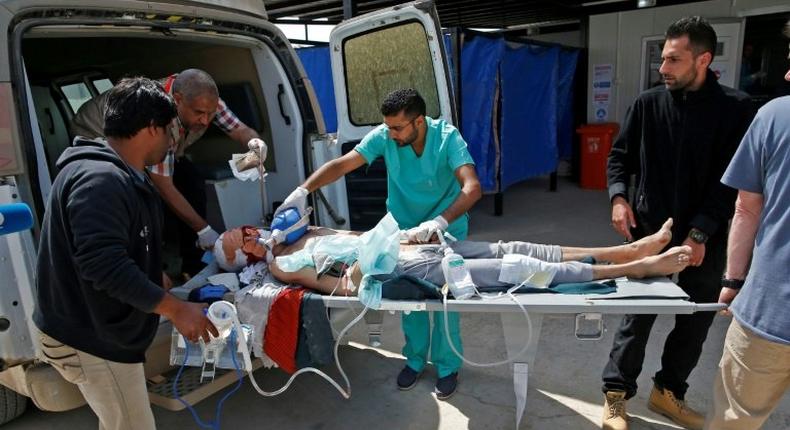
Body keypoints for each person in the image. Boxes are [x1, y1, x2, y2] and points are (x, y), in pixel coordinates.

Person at [34, 77, 218, 430]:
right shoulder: (100, 179)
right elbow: (102, 264)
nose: (171, 143)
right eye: (168, 132)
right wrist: (176, 309)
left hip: (99, 328)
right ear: (151, 128)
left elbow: (114, 246)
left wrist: (151, 274)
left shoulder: (120, 173)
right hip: (91, 337)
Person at [275, 88, 481, 399]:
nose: (392, 134)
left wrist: (438, 222)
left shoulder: (447, 138)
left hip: (446, 230)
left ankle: (447, 366)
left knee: (445, 303)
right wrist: (303, 190)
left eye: (398, 127)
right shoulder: (386, 135)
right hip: (402, 234)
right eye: (388, 127)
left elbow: (472, 187)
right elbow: (343, 164)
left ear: (419, 122)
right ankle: (414, 360)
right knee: (408, 301)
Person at [602, 16, 755, 430]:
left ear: (703, 59)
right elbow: (620, 157)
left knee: (693, 322)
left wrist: (701, 232)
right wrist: (619, 197)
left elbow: (735, 181)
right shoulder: (648, 105)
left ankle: (669, 392)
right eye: (662, 59)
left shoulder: (736, 110)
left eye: (673, 59)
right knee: (637, 318)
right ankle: (616, 397)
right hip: (650, 237)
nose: (663, 68)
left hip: (705, 240)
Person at [71, 69, 263, 277]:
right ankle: (149, 268)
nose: (206, 121)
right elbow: (164, 185)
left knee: (192, 182)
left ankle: (192, 265)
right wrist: (205, 231)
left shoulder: (207, 102)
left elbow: (241, 130)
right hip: (95, 131)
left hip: (165, 144)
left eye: (210, 114)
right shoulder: (159, 118)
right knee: (142, 196)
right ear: (177, 100)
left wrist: (255, 145)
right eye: (199, 113)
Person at [213, 218, 691, 295]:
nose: (252, 235)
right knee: (517, 269)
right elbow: (341, 284)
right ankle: (637, 266)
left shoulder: (298, 232)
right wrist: (368, 267)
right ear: (245, 261)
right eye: (243, 242)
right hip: (400, 269)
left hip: (408, 246)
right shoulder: (281, 265)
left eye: (246, 229)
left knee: (512, 247)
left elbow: (355, 232)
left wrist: (413, 232)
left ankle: (623, 248)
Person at [704, 21, 790, 430]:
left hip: (773, 310)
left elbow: (746, 209)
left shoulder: (775, 115)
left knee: (735, 418)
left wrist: (733, 280)